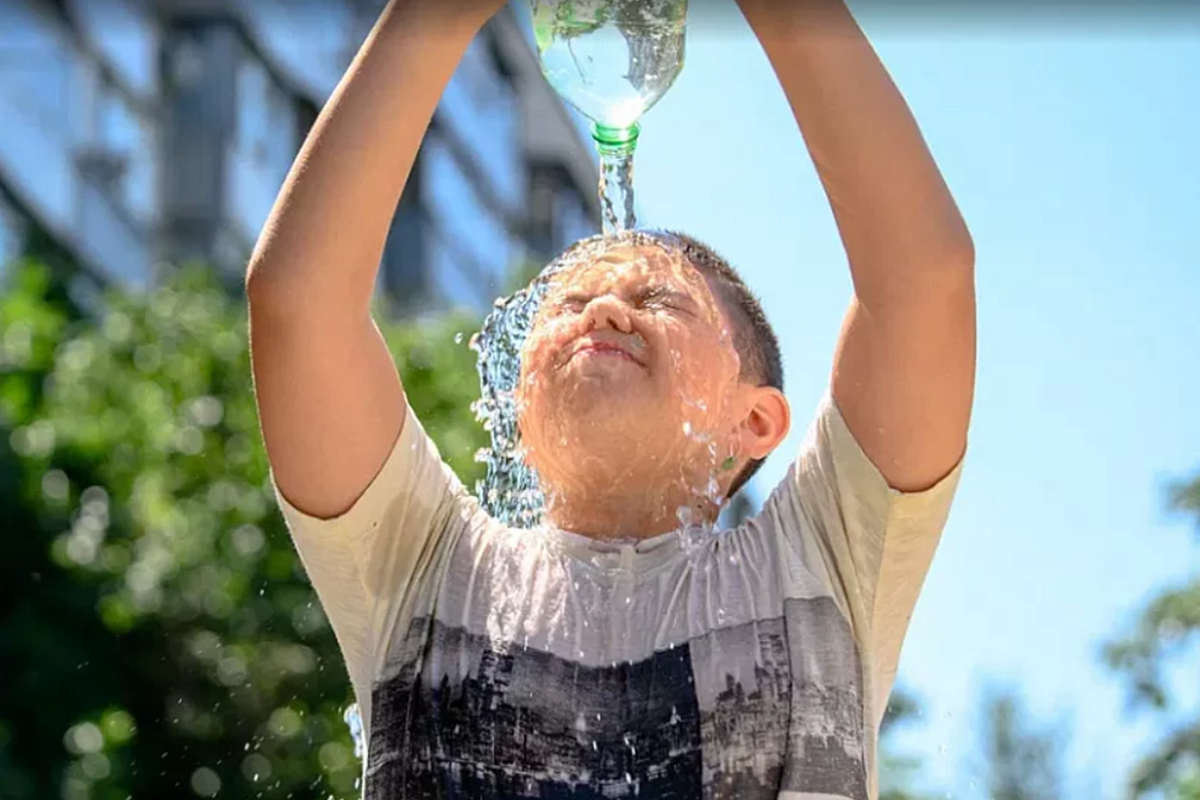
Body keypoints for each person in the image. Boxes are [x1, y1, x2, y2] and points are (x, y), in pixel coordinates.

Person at [246, 0, 976, 797]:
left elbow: (921, 285)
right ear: (518, 410)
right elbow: (299, 303)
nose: (601, 309)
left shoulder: (825, 561)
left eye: (661, 299)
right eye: (564, 305)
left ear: (755, 421)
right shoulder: (420, 564)